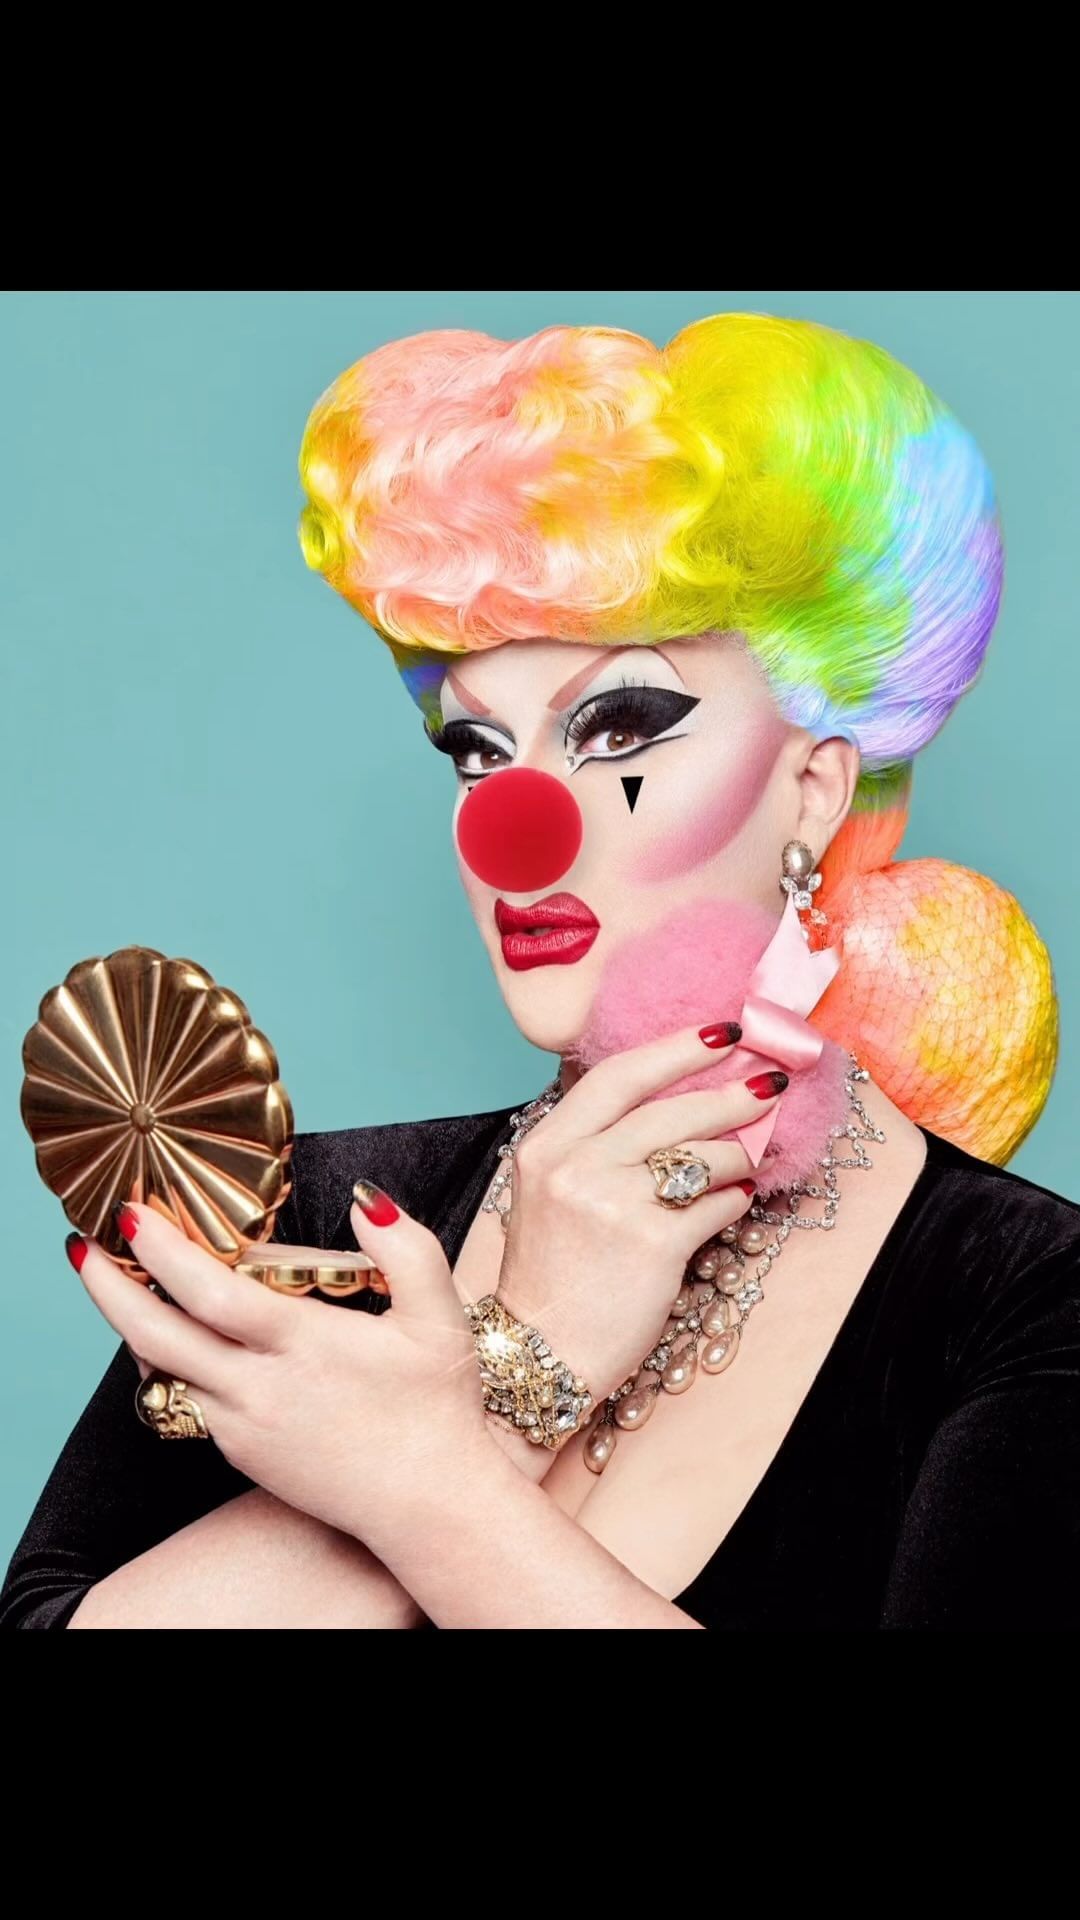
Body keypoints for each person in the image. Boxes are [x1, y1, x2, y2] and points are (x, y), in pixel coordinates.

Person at [3, 311, 1078, 1632]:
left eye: (619, 727)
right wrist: (539, 1345)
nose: (511, 830)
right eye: (477, 751)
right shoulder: (304, 1216)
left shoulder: (1024, 1294)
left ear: (810, 791)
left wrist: (429, 1476)